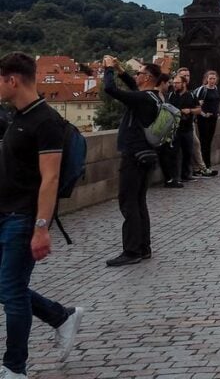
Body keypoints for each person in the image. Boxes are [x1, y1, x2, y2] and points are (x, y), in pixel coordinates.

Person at [0, 53, 84, 376]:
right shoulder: (17, 117)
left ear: (13, 80)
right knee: (8, 288)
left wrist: (41, 227)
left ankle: (14, 367)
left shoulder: (45, 122)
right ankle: (62, 317)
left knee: (12, 293)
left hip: (22, 219)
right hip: (5, 214)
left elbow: (49, 178)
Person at [103, 56, 162, 266]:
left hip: (134, 155)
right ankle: (144, 247)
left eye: (139, 73)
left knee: (128, 202)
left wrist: (109, 70)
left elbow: (111, 90)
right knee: (139, 202)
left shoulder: (143, 99)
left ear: (147, 78)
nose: (136, 76)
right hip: (146, 155)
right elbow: (133, 88)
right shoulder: (155, 97)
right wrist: (121, 70)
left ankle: (131, 250)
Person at [166, 75, 200, 184]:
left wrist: (190, 111)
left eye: (177, 83)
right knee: (174, 153)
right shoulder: (171, 95)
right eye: (174, 83)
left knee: (187, 152)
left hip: (187, 128)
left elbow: (199, 110)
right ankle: (176, 177)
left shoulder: (191, 95)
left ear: (184, 84)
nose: (174, 85)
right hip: (174, 129)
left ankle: (186, 174)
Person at [195, 71, 220, 172]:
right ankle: (203, 165)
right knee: (203, 141)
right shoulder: (203, 89)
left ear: (216, 80)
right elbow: (196, 104)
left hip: (213, 118)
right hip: (203, 119)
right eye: (210, 78)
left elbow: (218, 102)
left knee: (209, 141)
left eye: (214, 79)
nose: (212, 81)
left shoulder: (217, 89)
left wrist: (218, 112)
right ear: (206, 79)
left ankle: (207, 164)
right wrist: (203, 114)